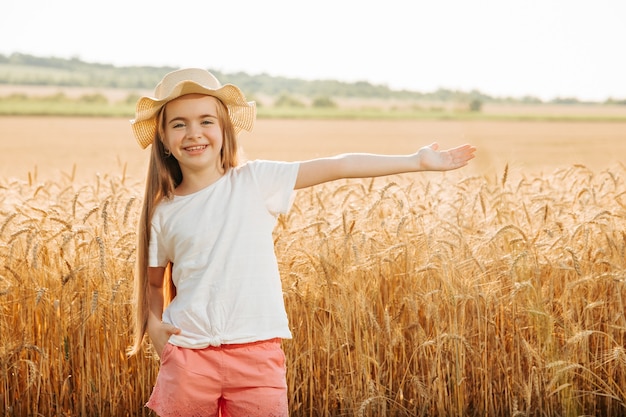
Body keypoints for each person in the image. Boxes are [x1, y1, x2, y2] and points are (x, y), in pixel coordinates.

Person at [127, 68, 476, 417]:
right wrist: (155, 326)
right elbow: (154, 284)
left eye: (206, 121)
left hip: (257, 354)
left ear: (224, 129)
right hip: (188, 357)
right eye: (179, 124)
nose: (193, 134)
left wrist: (415, 161)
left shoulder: (256, 181)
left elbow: (339, 165)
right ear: (164, 138)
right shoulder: (164, 212)